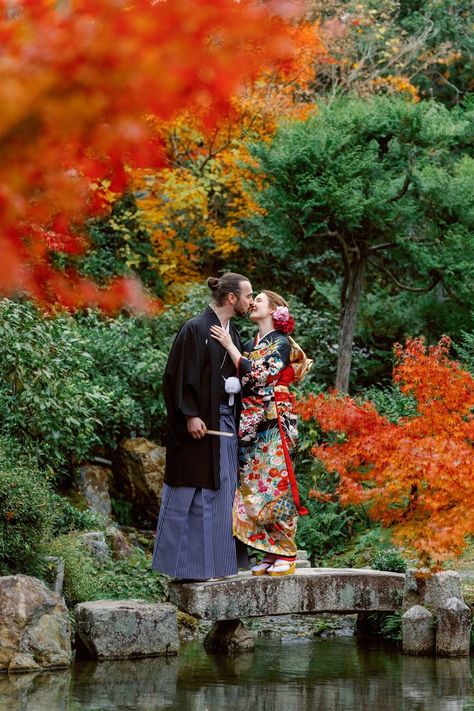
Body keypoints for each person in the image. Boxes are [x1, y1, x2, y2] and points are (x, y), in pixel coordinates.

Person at [151, 273, 254, 580]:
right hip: (199, 427)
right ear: (232, 298)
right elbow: (176, 376)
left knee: (222, 494)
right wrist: (189, 414)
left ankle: (220, 567)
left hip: (225, 426)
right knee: (191, 493)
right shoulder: (195, 328)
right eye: (249, 296)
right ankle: (187, 569)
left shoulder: (232, 334)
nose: (251, 301)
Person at [210, 290, 312, 577]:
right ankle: (270, 550)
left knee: (276, 482)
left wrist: (231, 347)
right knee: (255, 486)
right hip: (254, 421)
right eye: (253, 299)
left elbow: (260, 374)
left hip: (274, 420)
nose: (253, 302)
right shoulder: (256, 342)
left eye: (260, 300)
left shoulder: (279, 342)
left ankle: (287, 551)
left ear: (275, 309)